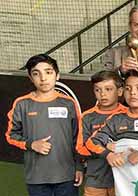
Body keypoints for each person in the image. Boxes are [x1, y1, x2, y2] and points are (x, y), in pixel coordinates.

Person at [6, 54, 84, 196]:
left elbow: (78, 137)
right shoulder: (22, 104)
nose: (43, 78)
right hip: (36, 178)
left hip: (67, 176)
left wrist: (79, 167)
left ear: (57, 75)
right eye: (36, 74)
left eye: (48, 72)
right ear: (30, 78)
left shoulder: (68, 103)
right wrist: (31, 144)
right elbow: (11, 135)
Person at [80, 70, 127, 196]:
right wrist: (105, 149)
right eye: (98, 90)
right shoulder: (87, 117)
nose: (103, 94)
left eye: (108, 89)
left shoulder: (128, 114)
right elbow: (80, 149)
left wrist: (119, 148)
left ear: (120, 91)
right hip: (95, 180)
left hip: (122, 180)